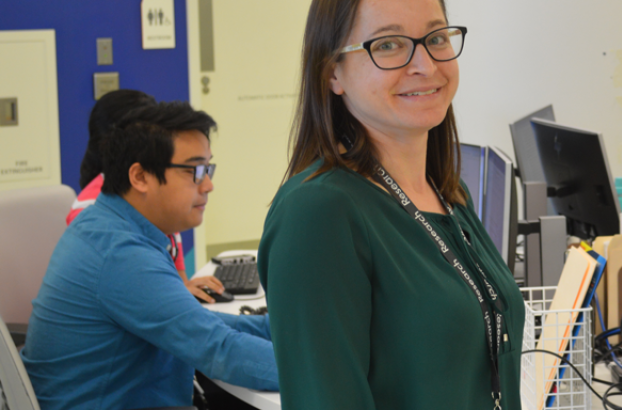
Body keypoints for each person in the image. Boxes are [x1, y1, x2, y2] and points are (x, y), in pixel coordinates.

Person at [257, 0, 523, 408]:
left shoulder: (447, 194)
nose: (426, 65)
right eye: (389, 45)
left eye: (436, 38)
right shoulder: (318, 213)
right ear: (332, 72)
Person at [20, 102, 279, 410]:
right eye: (194, 171)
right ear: (140, 176)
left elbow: (202, 326)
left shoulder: (110, 226)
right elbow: (219, 349)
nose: (208, 185)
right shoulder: (120, 254)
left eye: (208, 169)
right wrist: (338, 367)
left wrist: (284, 327)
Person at [69, 89, 228, 303]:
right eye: (194, 170)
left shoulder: (158, 211)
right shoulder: (104, 232)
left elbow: (174, 286)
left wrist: (182, 288)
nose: (208, 186)